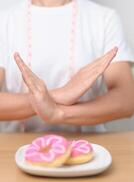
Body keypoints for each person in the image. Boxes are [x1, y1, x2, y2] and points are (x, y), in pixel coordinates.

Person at [0, 0, 134, 133]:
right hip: (16, 148)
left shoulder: (104, 18)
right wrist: (60, 94)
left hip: (90, 147)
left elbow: (126, 100)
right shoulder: (5, 20)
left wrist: (58, 113)